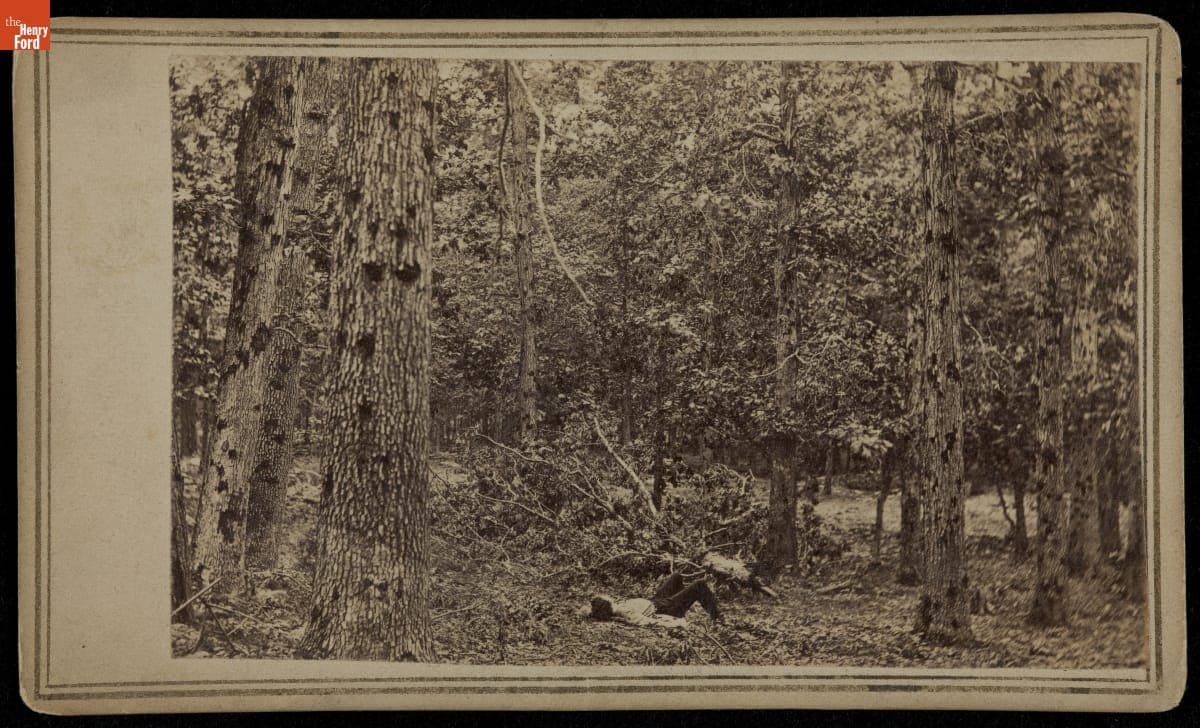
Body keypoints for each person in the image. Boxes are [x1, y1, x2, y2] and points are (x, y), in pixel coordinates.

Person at [587, 571, 722, 627]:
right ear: (606, 602)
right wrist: (672, 621)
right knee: (699, 585)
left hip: (655, 601)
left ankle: (684, 602)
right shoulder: (622, 611)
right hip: (665, 608)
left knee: (676, 576)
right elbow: (643, 620)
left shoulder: (617, 607)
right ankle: (718, 619)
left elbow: (589, 610)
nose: (605, 594)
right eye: (603, 596)